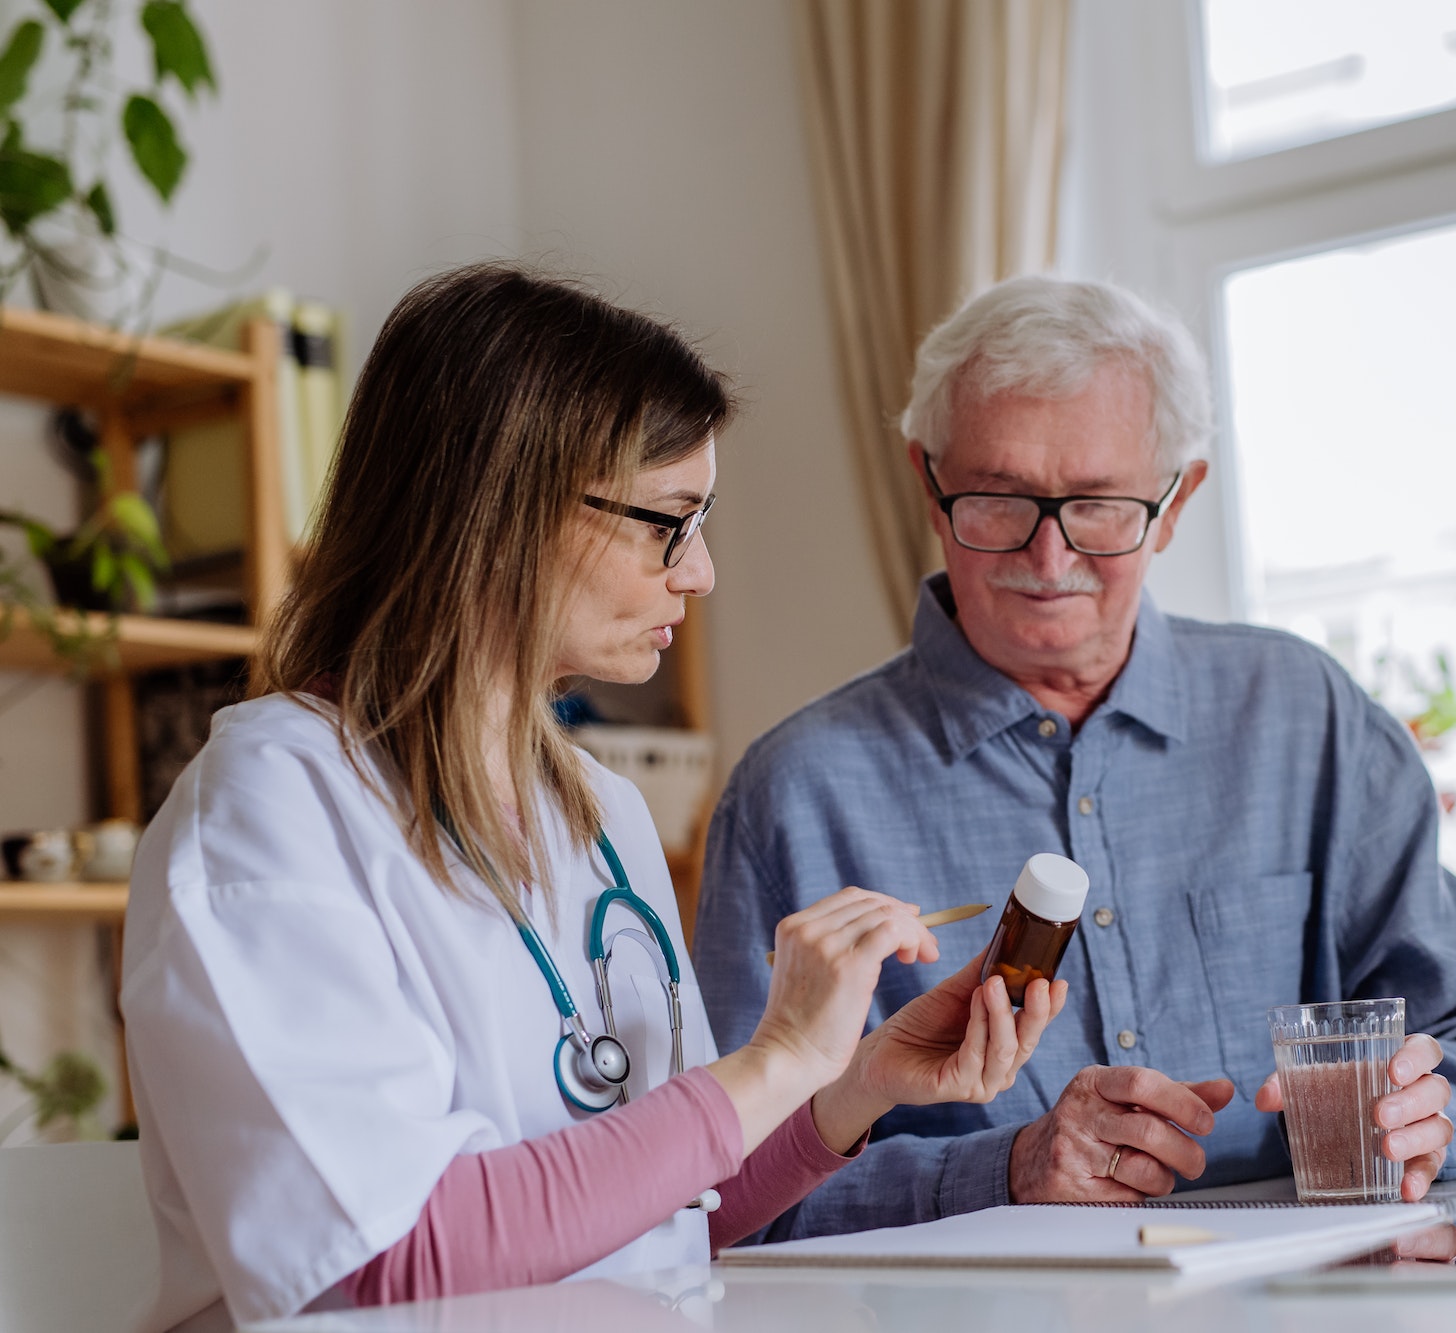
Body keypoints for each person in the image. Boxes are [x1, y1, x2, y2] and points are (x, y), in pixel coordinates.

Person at [120, 264, 1065, 1332]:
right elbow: (394, 1259)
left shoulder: (599, 813)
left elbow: (667, 1222)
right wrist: (773, 1061)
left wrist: (853, 1085)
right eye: (670, 519)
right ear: (502, 504)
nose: (699, 571)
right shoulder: (269, 809)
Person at [694, 275, 1456, 1240]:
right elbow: (719, 1192)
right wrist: (1005, 1169)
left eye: (1101, 506)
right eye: (998, 499)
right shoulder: (793, 794)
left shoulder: (1305, 715)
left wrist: (1436, 1115)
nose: (1049, 559)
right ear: (929, 487)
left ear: (1178, 498)